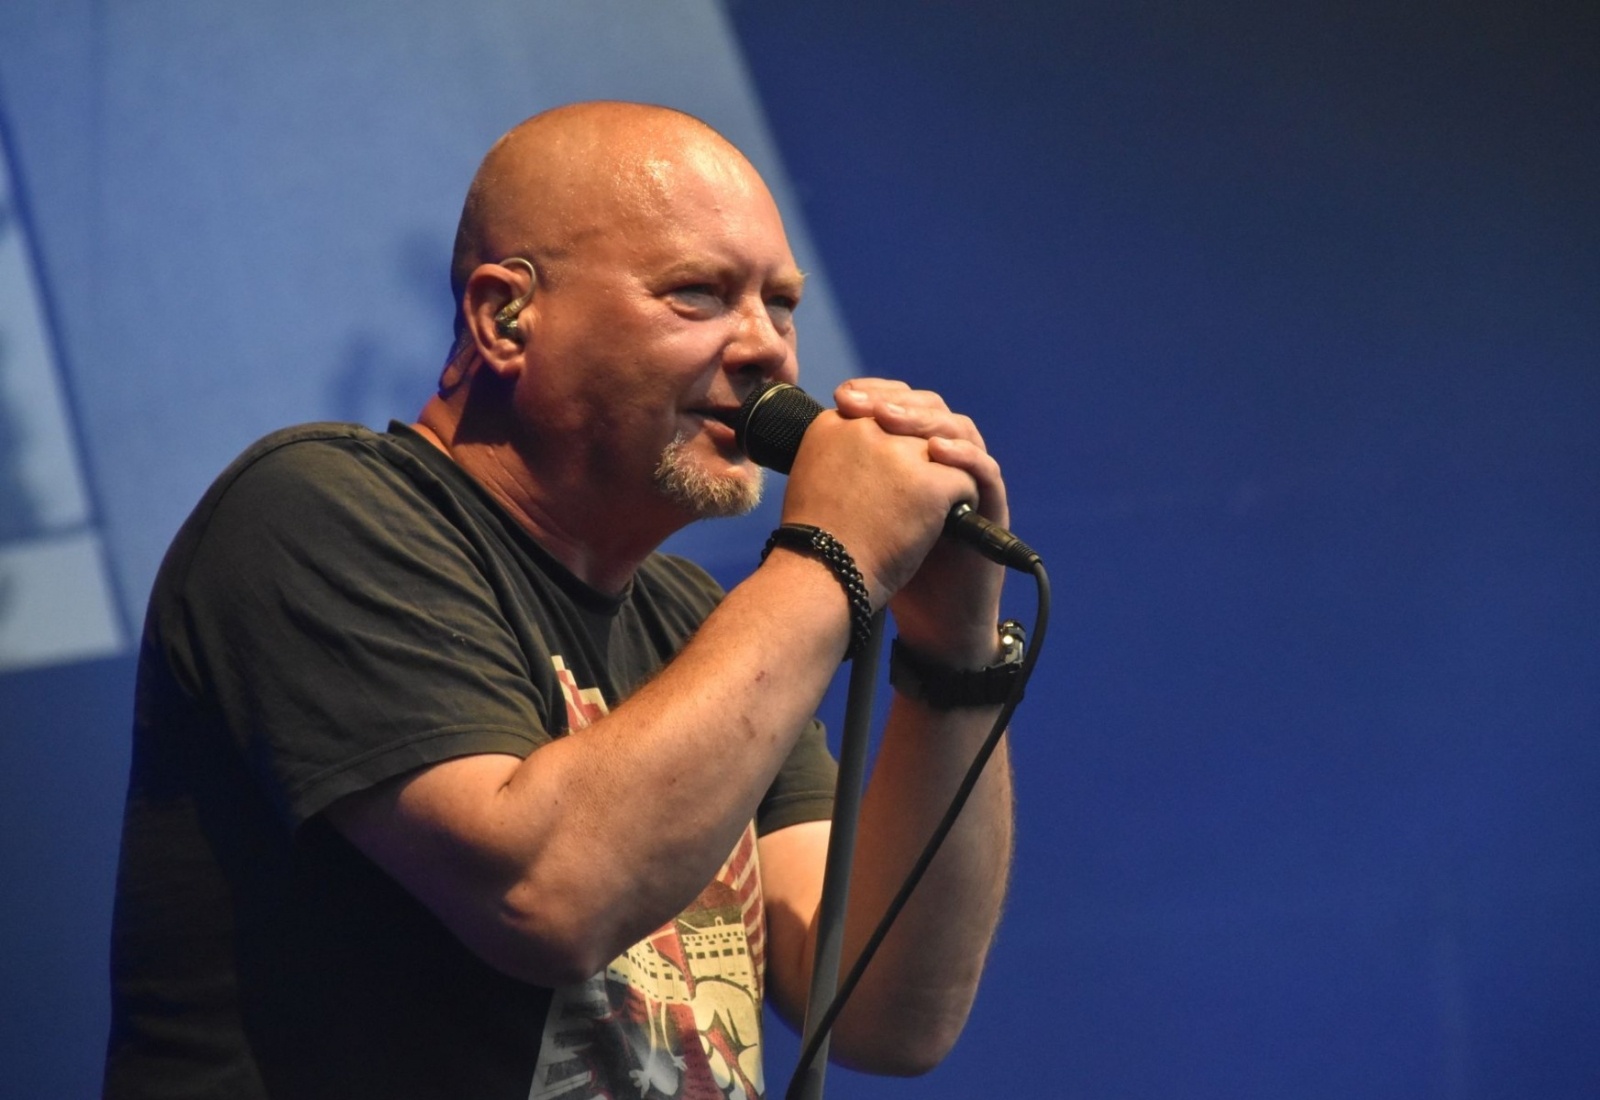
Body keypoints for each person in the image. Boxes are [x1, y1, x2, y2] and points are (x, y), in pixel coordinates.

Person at [104, 100, 1015, 1099]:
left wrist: (955, 654)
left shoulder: (699, 626)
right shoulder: (316, 511)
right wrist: (831, 554)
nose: (769, 349)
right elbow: (547, 896)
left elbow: (886, 1006)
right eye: (699, 294)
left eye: (782, 305)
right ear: (505, 316)